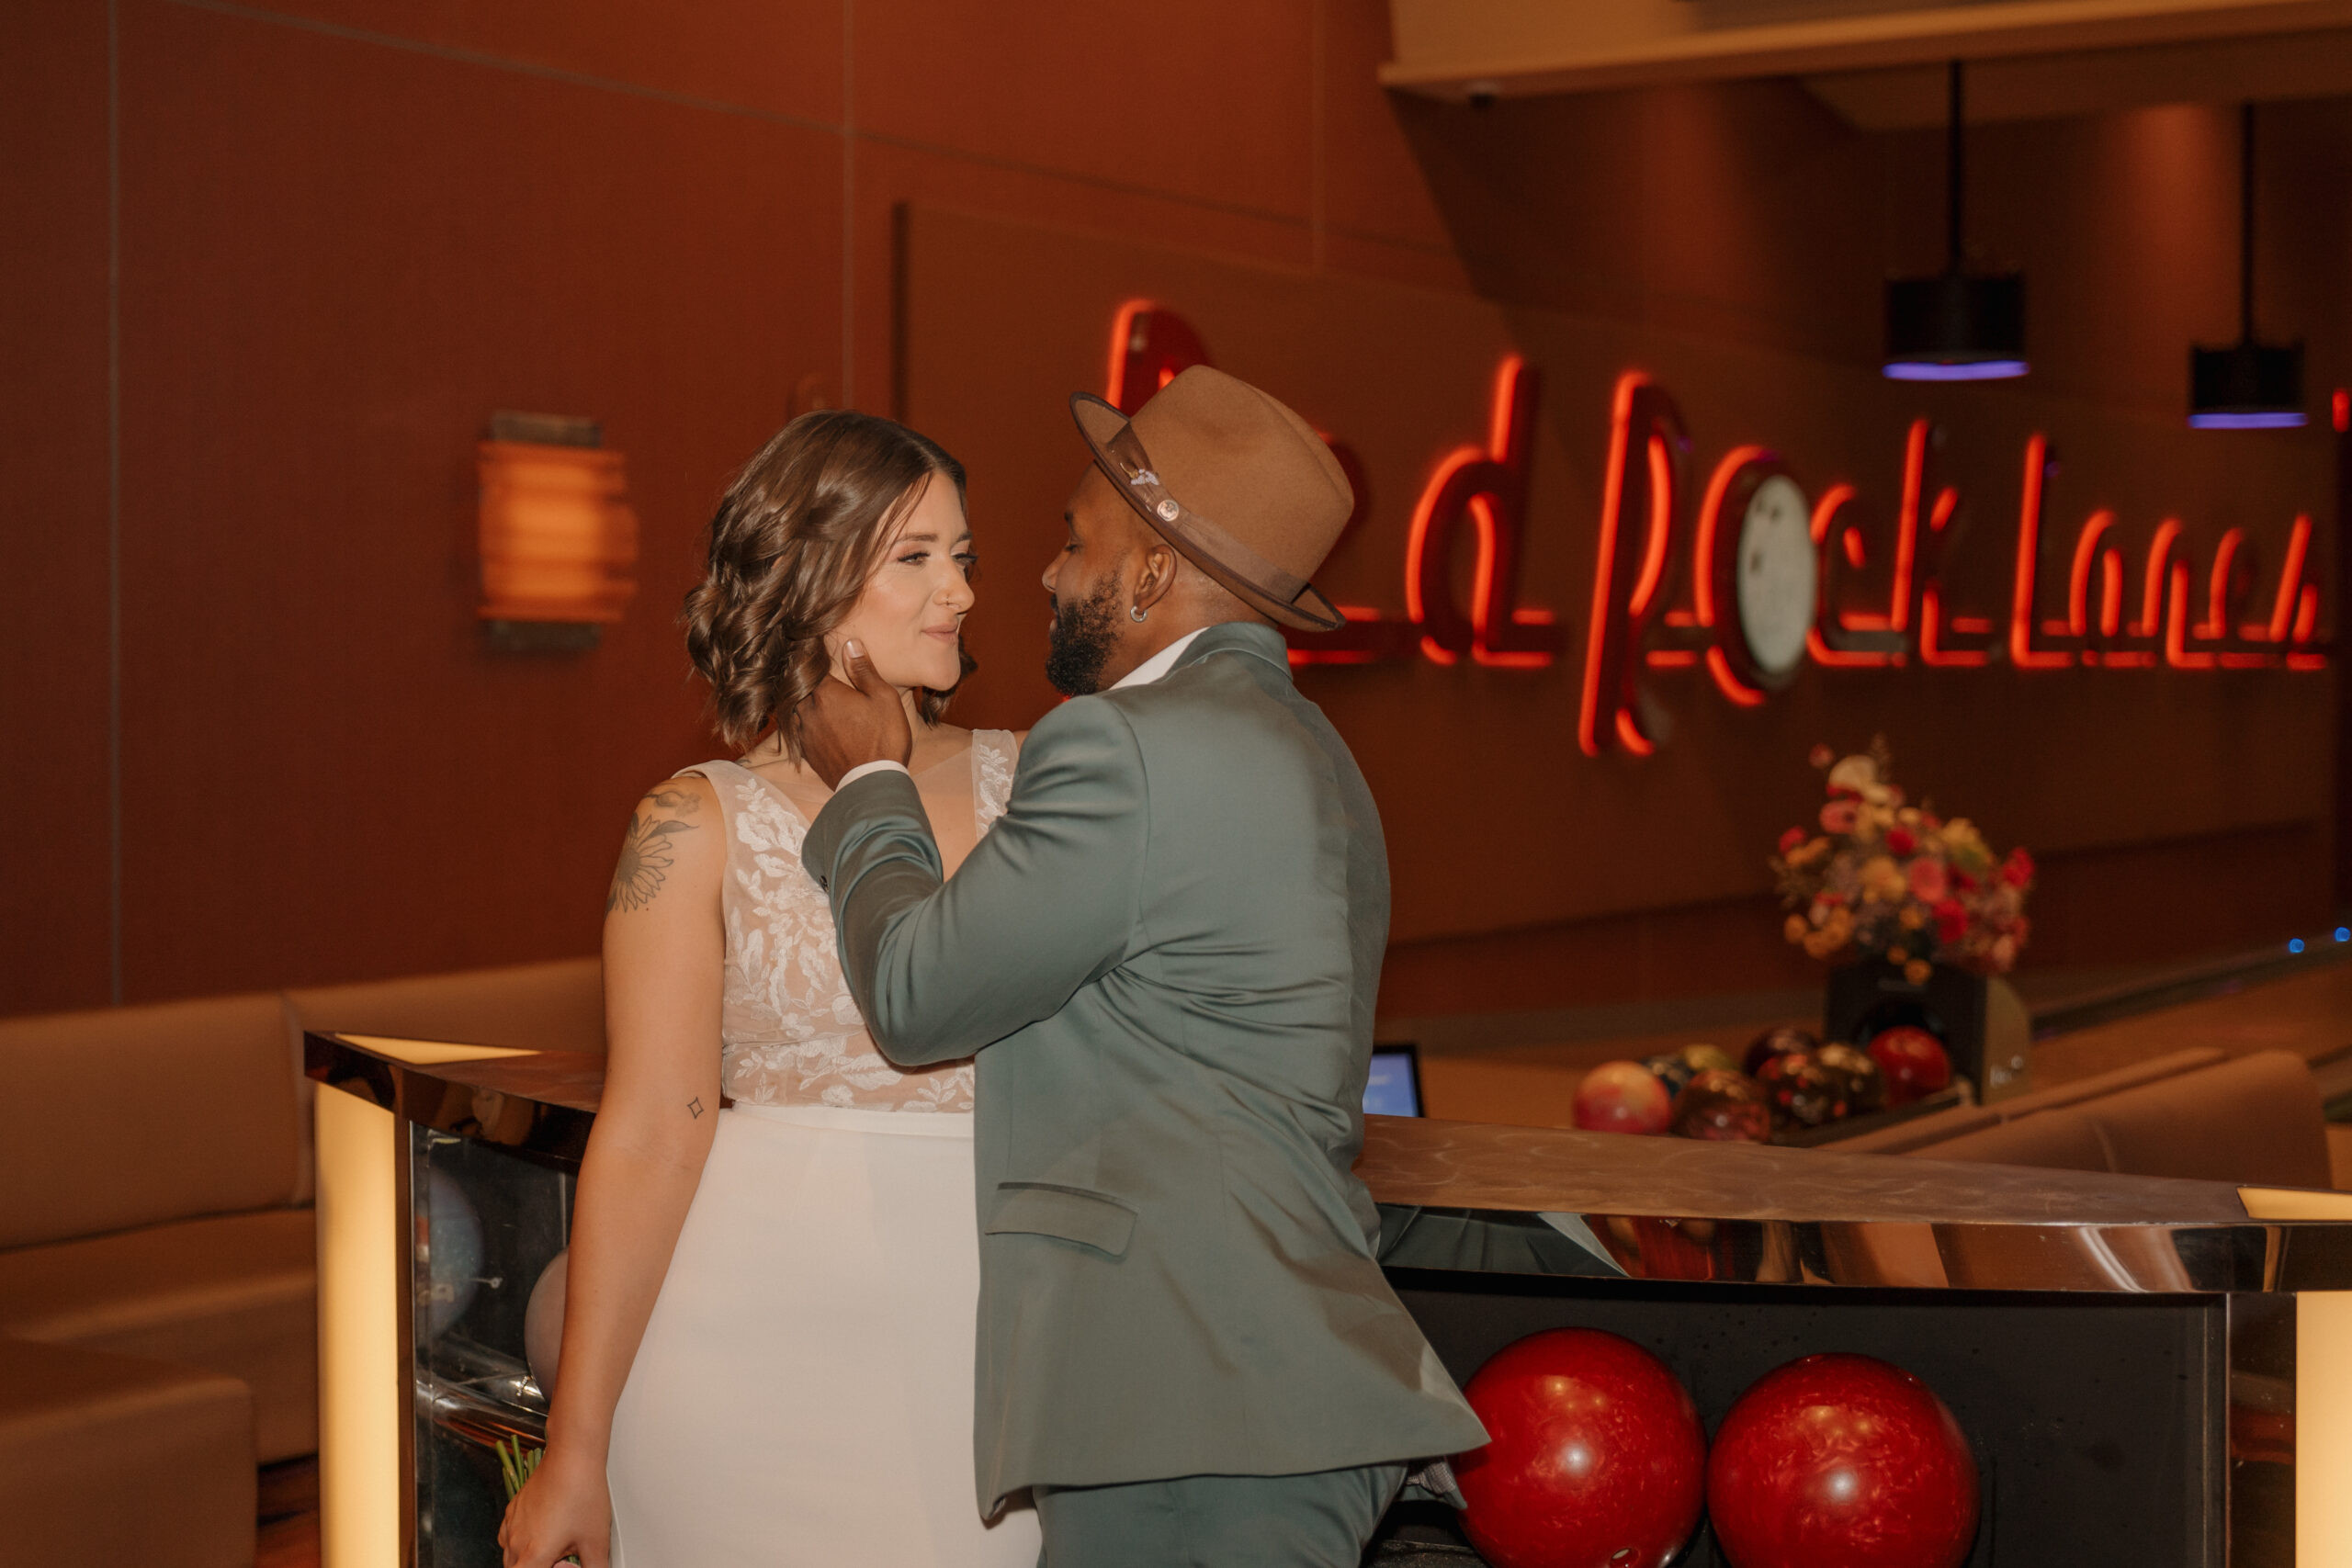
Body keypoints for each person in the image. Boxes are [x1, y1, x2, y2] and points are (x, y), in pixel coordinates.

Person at [796, 367, 1488, 1568]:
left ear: (1154, 571)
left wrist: (869, 780)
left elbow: (918, 995)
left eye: (1076, 541)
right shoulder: (1321, 757)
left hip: (1188, 1408)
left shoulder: (1122, 748)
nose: (1049, 572)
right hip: (1268, 1392)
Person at [499, 411, 1041, 1568]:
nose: (958, 591)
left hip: (990, 1361)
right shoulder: (693, 822)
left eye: (963, 556)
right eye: (915, 558)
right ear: (811, 578)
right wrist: (575, 1451)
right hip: (733, 1363)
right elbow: (650, 1135)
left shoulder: (1039, 786)